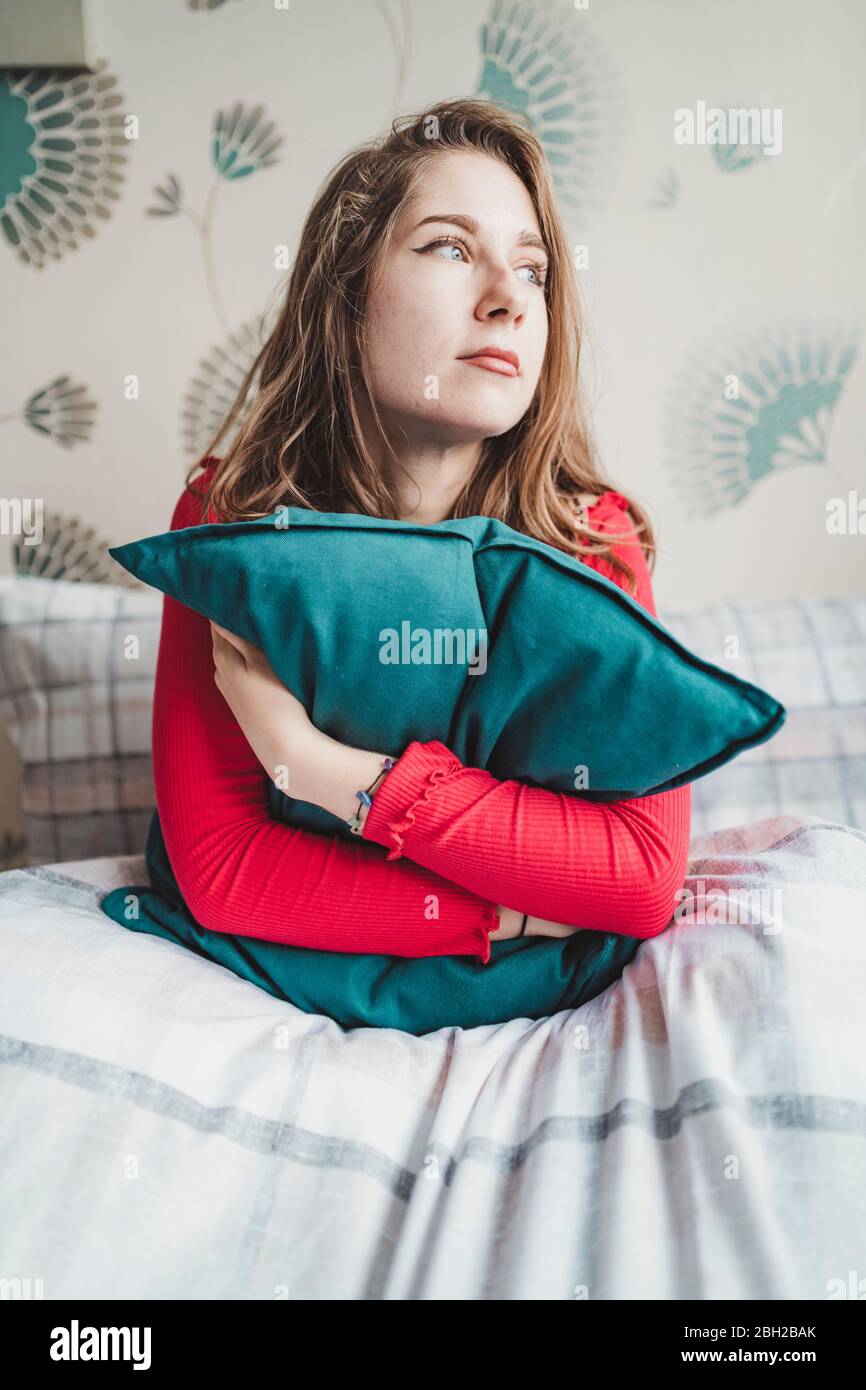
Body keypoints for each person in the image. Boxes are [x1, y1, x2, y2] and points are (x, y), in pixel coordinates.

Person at [152, 98, 691, 967]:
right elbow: (225, 870)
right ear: (347, 295)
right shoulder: (234, 520)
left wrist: (314, 766)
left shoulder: (593, 537)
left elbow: (638, 875)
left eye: (533, 270)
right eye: (450, 246)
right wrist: (506, 914)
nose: (508, 298)